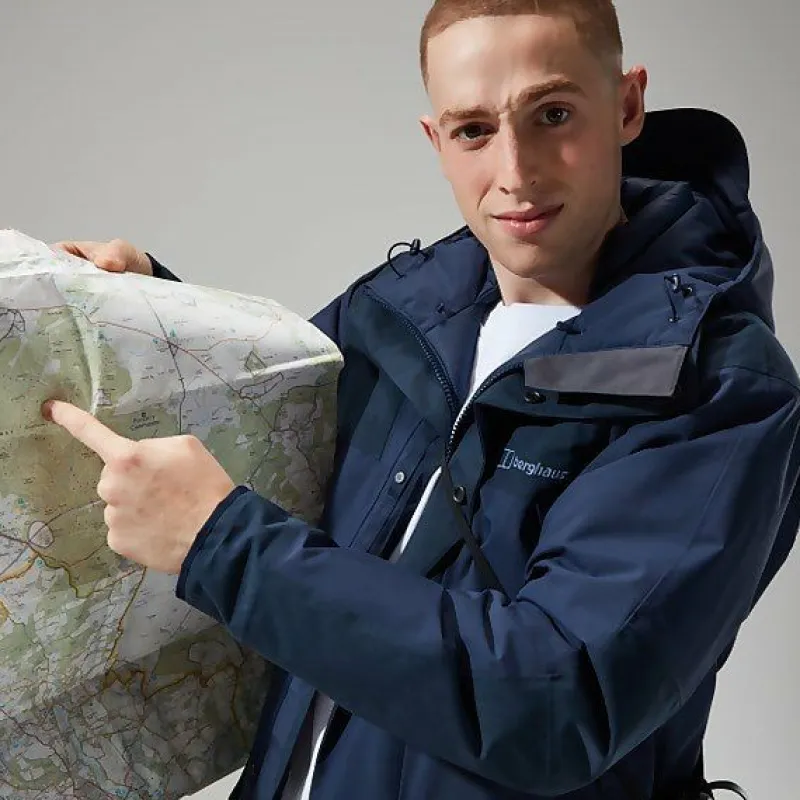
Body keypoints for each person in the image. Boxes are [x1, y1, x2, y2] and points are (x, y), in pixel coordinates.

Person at [46, 1, 799, 798]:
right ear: (436, 141)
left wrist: (225, 547)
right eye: (474, 130)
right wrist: (152, 318)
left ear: (627, 105)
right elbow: (281, 450)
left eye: (552, 115)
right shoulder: (405, 311)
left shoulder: (715, 388)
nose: (516, 171)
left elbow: (554, 702)